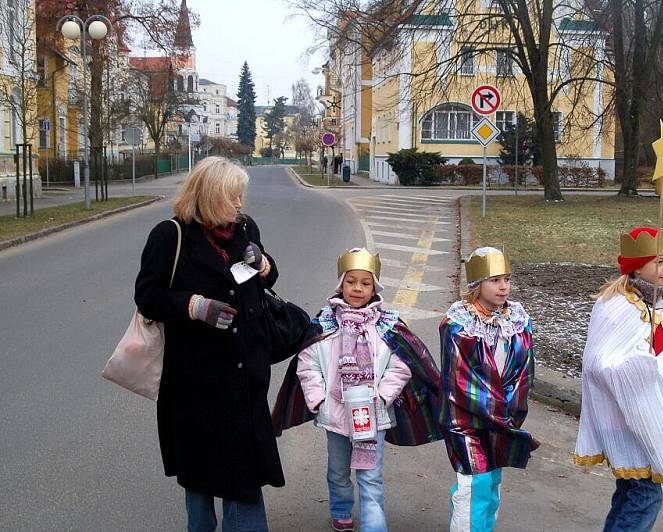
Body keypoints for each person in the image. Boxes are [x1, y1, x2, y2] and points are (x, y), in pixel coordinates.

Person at [135, 156, 282, 532]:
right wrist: (194, 306)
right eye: (233, 197)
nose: (239, 205)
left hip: (244, 373)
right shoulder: (170, 236)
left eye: (240, 197)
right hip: (194, 380)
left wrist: (263, 263)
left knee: (244, 476)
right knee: (199, 476)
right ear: (209, 196)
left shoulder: (245, 228)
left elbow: (264, 281)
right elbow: (148, 296)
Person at [271, 248, 441, 532]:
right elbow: (307, 363)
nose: (358, 288)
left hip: (373, 416)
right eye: (351, 282)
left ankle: (374, 525)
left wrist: (383, 397)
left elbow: (401, 366)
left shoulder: (387, 325)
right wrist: (320, 400)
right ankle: (340, 509)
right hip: (336, 416)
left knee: (370, 476)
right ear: (341, 284)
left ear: (374, 287)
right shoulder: (325, 323)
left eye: (365, 283)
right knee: (338, 471)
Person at [574, 227, 663, 532]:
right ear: (637, 266)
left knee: (631, 491)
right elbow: (598, 362)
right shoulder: (618, 305)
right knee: (646, 495)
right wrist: (638, 369)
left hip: (653, 414)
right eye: (659, 261)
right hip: (625, 416)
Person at [439, 247, 538, 532]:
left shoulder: (517, 321)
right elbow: (462, 380)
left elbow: (524, 369)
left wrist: (512, 407)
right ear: (476, 285)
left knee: (492, 482)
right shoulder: (459, 326)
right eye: (494, 280)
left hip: (502, 417)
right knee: (474, 484)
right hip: (467, 420)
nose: (504, 286)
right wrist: (497, 409)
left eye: (506, 278)